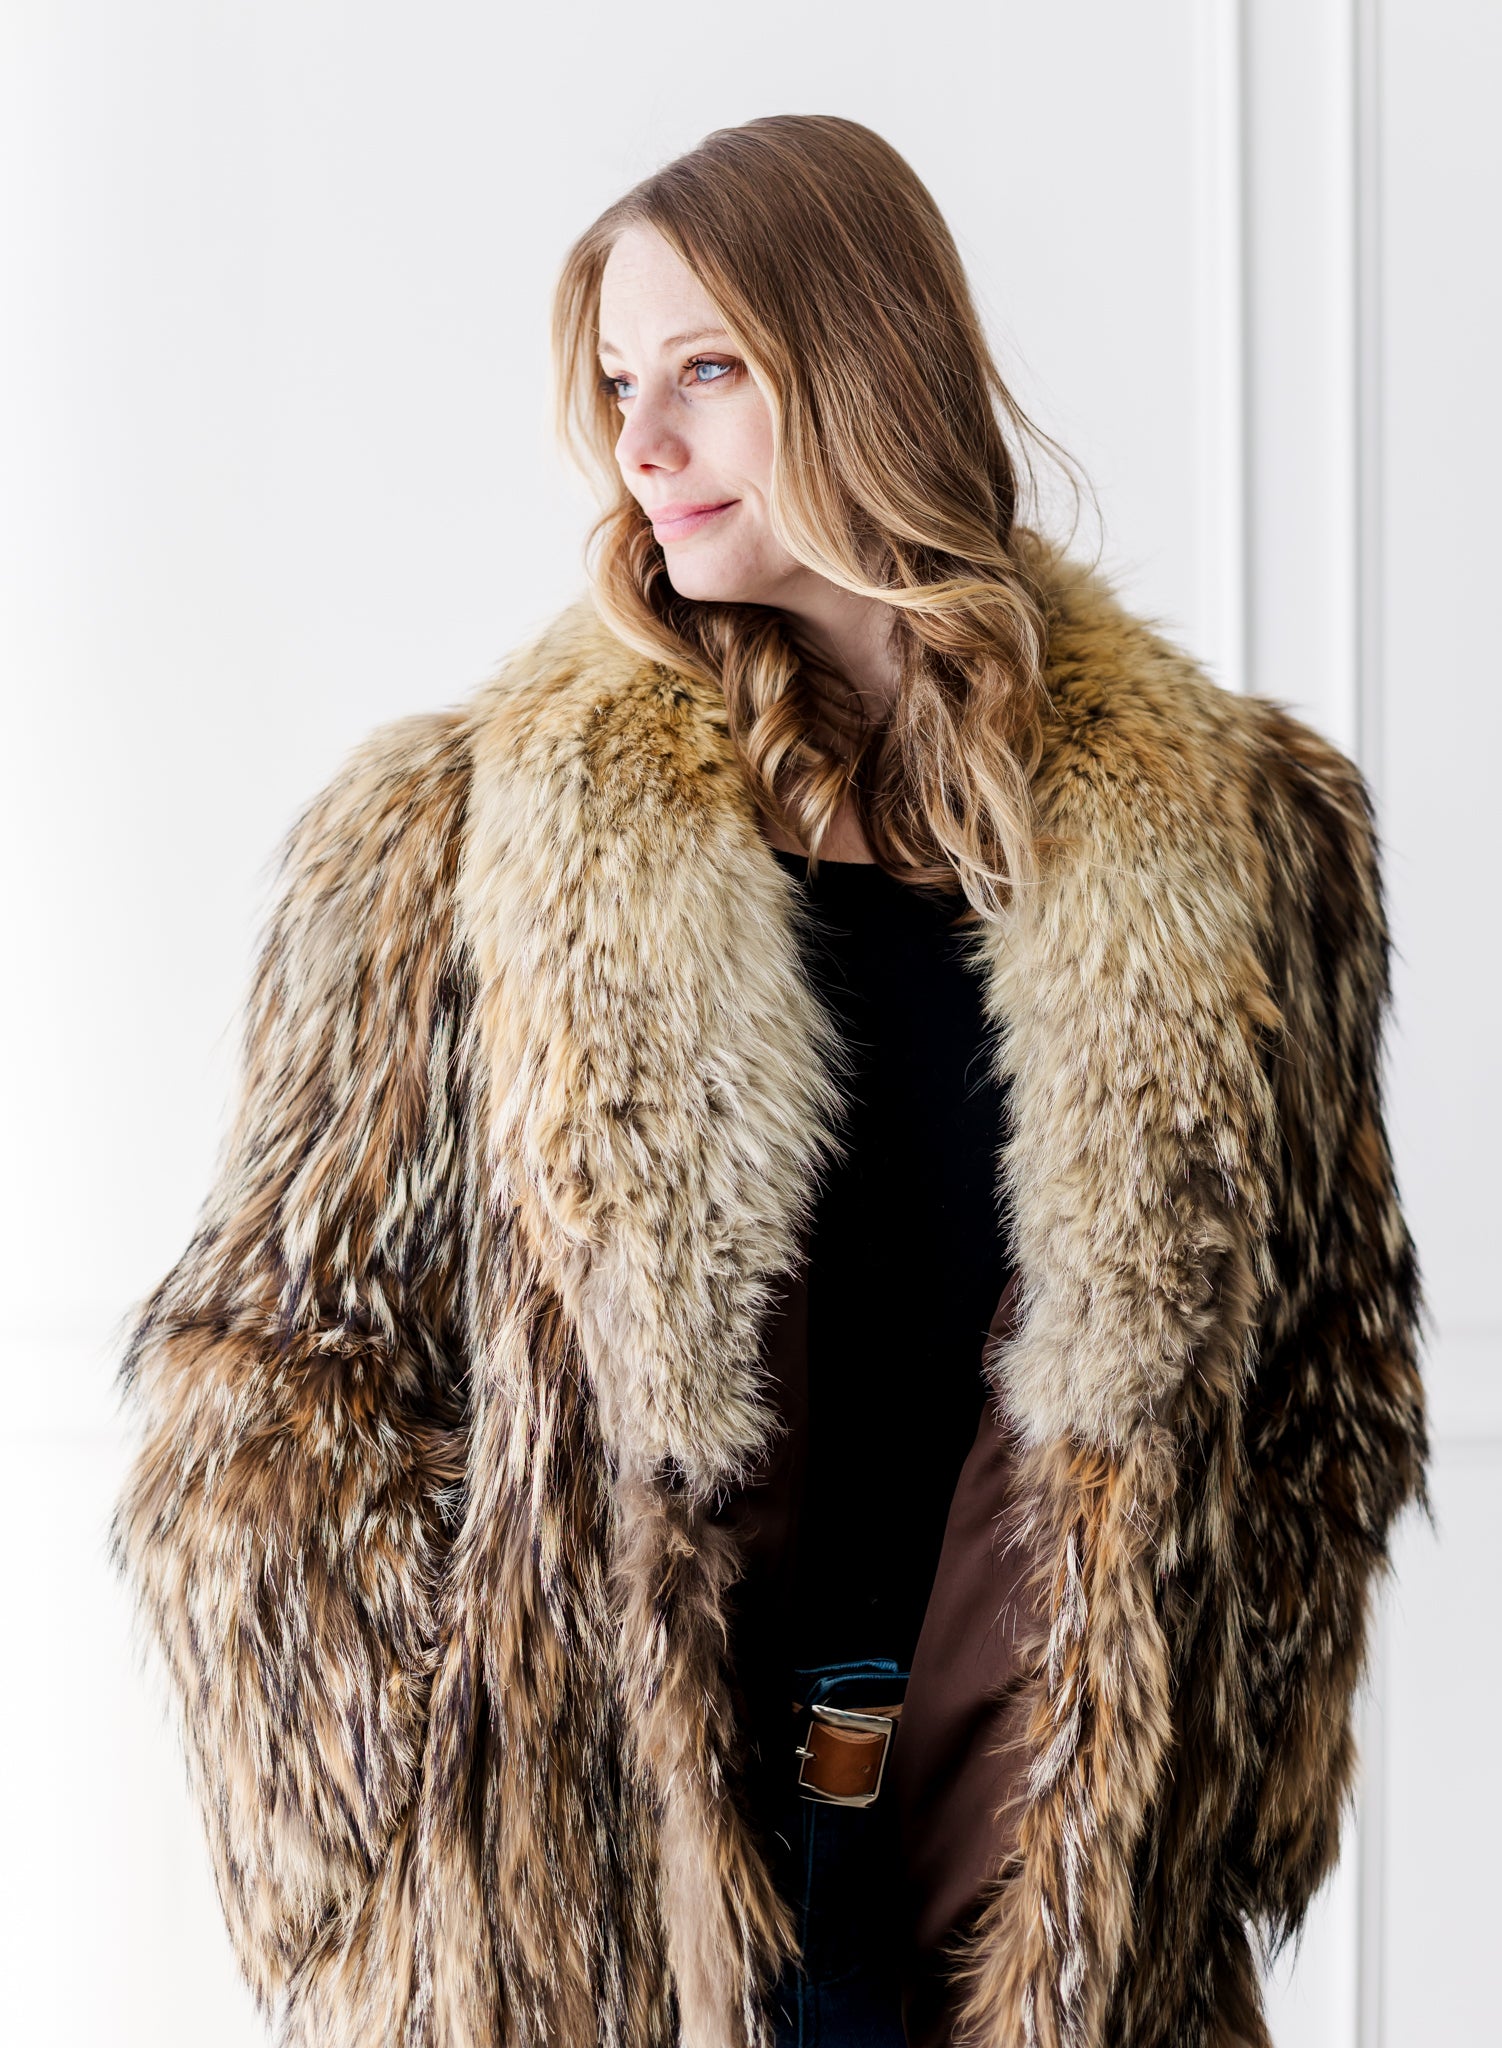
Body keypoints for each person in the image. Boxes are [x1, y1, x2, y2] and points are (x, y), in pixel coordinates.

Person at [111, 114, 1428, 2048]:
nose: (640, 445)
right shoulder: (451, 843)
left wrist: (1222, 1800)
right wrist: (411, 1824)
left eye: (706, 370)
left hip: (1032, 1905)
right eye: (616, 387)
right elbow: (271, 1382)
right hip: (612, 1920)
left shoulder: (1248, 844)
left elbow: (1326, 1376)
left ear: (872, 363)